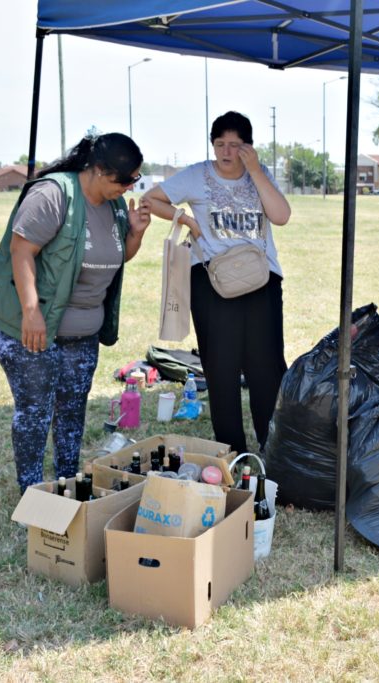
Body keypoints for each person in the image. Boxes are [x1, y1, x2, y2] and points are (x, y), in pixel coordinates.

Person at [0, 133, 151, 492]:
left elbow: (113, 258)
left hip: (82, 333)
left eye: (136, 178)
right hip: (32, 327)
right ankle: (31, 493)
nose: (130, 187)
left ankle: (67, 486)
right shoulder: (53, 194)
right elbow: (21, 251)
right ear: (99, 170)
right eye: (125, 179)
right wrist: (31, 312)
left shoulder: (116, 205)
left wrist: (135, 234)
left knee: (72, 411)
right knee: (36, 412)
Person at [141, 111, 291, 454]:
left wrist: (255, 171)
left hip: (261, 279)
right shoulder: (198, 174)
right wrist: (187, 220)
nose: (226, 152)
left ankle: (270, 446)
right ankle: (231, 448)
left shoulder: (259, 174)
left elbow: (281, 216)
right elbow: (151, 199)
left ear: (248, 147)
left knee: (266, 365)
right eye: (220, 144)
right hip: (211, 280)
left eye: (235, 145)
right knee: (220, 366)